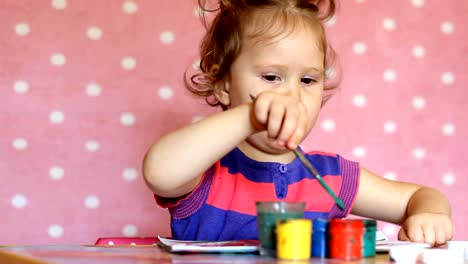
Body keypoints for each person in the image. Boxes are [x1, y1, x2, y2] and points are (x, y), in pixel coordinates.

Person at [142, 0, 453, 246]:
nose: (291, 95)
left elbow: (419, 196)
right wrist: (250, 116)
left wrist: (430, 214)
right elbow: (159, 173)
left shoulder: (330, 178)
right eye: (271, 77)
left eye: (307, 79)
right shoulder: (206, 173)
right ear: (224, 84)